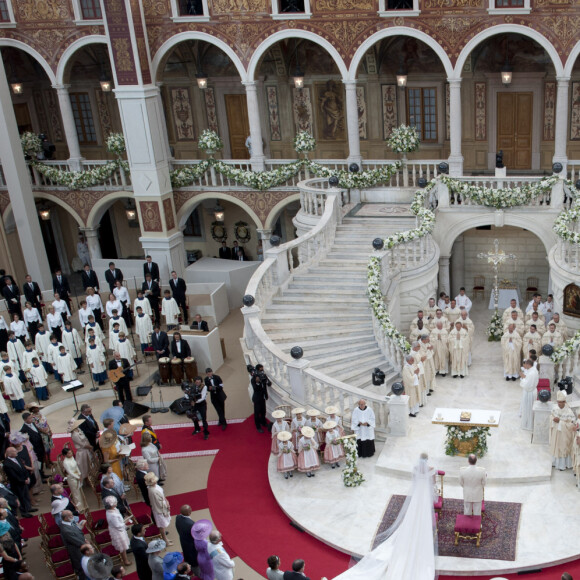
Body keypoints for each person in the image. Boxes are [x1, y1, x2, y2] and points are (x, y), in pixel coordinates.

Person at [334, 453, 436, 580]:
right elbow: (433, 483)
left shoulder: (415, 468)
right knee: (424, 513)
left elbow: (414, 481)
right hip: (425, 493)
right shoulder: (431, 469)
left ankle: (412, 528)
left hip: (417, 494)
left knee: (413, 513)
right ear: (427, 460)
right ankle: (422, 530)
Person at [3, 447, 33, 517]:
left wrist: (27, 477)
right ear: (10, 454)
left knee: (26, 495)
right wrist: (23, 481)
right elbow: (13, 476)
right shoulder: (7, 464)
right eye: (14, 451)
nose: (16, 452)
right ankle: (24, 512)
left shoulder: (17, 458)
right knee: (21, 497)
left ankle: (28, 508)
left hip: (24, 480)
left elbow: (22, 467)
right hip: (17, 484)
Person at [144, 472, 172, 546]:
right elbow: (158, 503)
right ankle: (165, 540)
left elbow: (162, 496)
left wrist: (166, 500)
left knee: (162, 525)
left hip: (162, 505)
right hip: (159, 510)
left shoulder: (155, 486)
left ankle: (165, 538)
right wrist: (166, 505)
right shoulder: (152, 491)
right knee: (161, 525)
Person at [550, 390, 576, 471]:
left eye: (561, 402)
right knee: (555, 446)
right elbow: (551, 417)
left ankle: (562, 465)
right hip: (556, 432)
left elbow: (571, 425)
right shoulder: (555, 409)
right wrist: (553, 420)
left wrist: (560, 422)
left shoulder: (569, 412)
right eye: (558, 402)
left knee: (563, 447)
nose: (559, 404)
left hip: (564, 435)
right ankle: (554, 463)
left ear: (564, 402)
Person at [105, 496, 132, 567]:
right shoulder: (112, 514)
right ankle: (125, 560)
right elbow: (118, 525)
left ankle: (125, 557)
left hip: (119, 529)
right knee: (122, 546)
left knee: (123, 545)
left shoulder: (113, 510)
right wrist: (125, 521)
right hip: (118, 532)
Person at [59, 510, 87, 580]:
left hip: (79, 545)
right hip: (76, 551)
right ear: (65, 518)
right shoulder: (66, 530)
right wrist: (86, 544)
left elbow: (76, 531)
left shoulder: (68, 522)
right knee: (81, 568)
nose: (73, 517)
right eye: (71, 515)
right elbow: (76, 541)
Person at [176, 504, 198, 571]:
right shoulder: (191, 524)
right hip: (191, 544)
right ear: (189, 513)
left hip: (183, 540)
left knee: (187, 554)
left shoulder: (178, 517)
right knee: (193, 559)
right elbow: (196, 536)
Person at [519, 359, 539, 431]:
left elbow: (527, 385)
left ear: (528, 364)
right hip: (533, 391)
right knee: (530, 408)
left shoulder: (531, 373)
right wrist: (525, 377)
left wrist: (522, 379)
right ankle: (530, 423)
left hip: (529, 393)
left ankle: (528, 425)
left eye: (525, 365)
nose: (525, 366)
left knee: (528, 408)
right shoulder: (534, 371)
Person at [251, 364, 271, 433]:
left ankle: (263, 422)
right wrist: (258, 382)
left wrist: (266, 380)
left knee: (263, 411)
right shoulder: (254, 378)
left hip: (263, 397)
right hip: (257, 398)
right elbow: (255, 388)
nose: (261, 371)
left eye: (262, 369)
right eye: (260, 370)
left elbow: (269, 384)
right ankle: (258, 426)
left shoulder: (264, 375)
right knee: (257, 413)